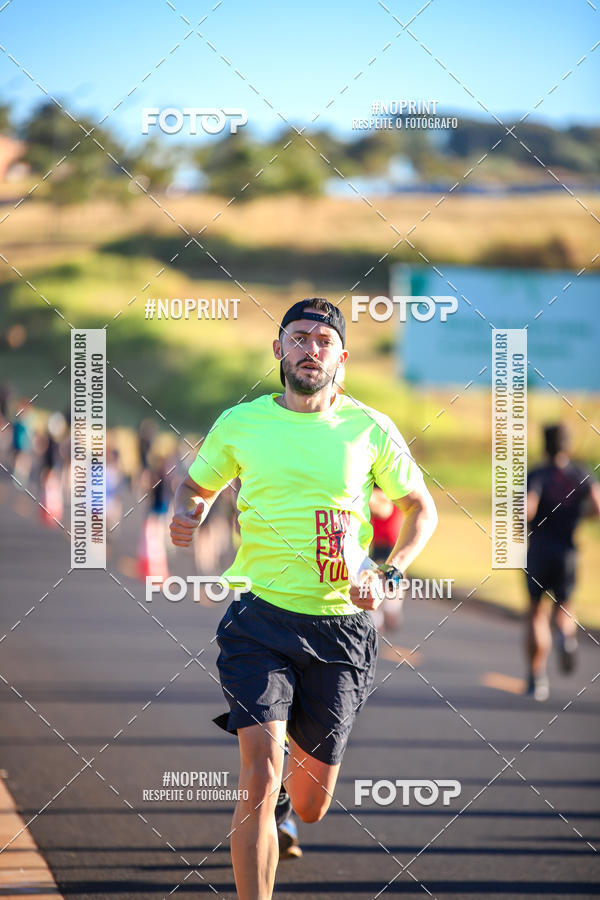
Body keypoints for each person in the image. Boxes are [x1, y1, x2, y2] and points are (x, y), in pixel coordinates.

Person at [169, 298, 438, 899]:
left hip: (341, 628)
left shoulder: (369, 429)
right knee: (258, 778)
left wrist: (390, 571)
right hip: (257, 619)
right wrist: (187, 513)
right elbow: (195, 486)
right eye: (299, 338)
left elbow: (423, 507)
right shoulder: (241, 423)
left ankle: (294, 792)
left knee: (311, 806)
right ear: (278, 349)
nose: (311, 349)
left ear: (342, 358)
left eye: (324, 341)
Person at [525, 423, 600, 701]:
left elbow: (528, 508)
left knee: (535, 612)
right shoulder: (580, 472)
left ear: (544, 445)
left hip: (540, 550)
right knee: (565, 606)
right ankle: (566, 639)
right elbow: (597, 505)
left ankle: (536, 678)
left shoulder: (538, 473)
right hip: (568, 551)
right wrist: (580, 516)